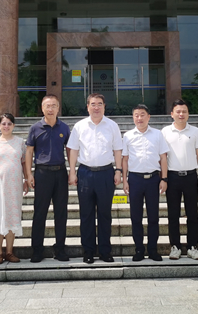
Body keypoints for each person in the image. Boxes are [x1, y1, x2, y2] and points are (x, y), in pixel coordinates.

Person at [67, 93, 123, 264]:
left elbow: (118, 150)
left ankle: (105, 251)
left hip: (106, 173)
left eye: (99, 104)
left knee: (105, 214)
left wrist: (118, 171)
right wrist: (72, 171)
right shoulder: (79, 126)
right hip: (85, 173)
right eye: (93, 104)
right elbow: (73, 150)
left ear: (104, 106)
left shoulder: (112, 126)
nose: (96, 107)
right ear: (88, 107)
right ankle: (88, 251)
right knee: (86, 214)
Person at [25, 94, 71, 263]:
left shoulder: (64, 128)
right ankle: (37, 250)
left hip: (60, 173)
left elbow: (70, 150)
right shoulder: (35, 128)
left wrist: (72, 171)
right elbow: (29, 152)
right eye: (47, 106)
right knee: (40, 212)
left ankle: (60, 249)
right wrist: (29, 174)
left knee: (61, 212)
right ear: (42, 108)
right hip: (42, 174)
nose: (50, 109)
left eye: (53, 106)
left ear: (58, 108)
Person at [122, 104, 169, 262]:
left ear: (148, 117)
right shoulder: (128, 136)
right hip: (135, 180)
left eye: (142, 115)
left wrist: (164, 179)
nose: (139, 118)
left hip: (153, 180)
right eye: (136, 115)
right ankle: (139, 250)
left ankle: (153, 250)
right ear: (133, 117)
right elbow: (125, 159)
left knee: (153, 217)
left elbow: (163, 158)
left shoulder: (157, 134)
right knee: (135, 217)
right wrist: (125, 180)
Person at [161, 99, 198, 261]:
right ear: (172, 114)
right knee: (173, 214)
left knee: (192, 213)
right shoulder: (165, 131)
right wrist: (163, 178)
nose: (181, 114)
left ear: (188, 114)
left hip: (191, 176)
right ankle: (175, 247)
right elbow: (162, 156)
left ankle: (193, 246)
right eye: (178, 112)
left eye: (184, 111)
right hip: (172, 177)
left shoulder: (194, 131)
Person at [0, 113, 28, 265]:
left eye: (9, 123)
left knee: (11, 216)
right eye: (3, 123)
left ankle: (9, 252)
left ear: (13, 125)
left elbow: (24, 162)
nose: (6, 126)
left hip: (14, 186)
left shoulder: (20, 142)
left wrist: (27, 179)